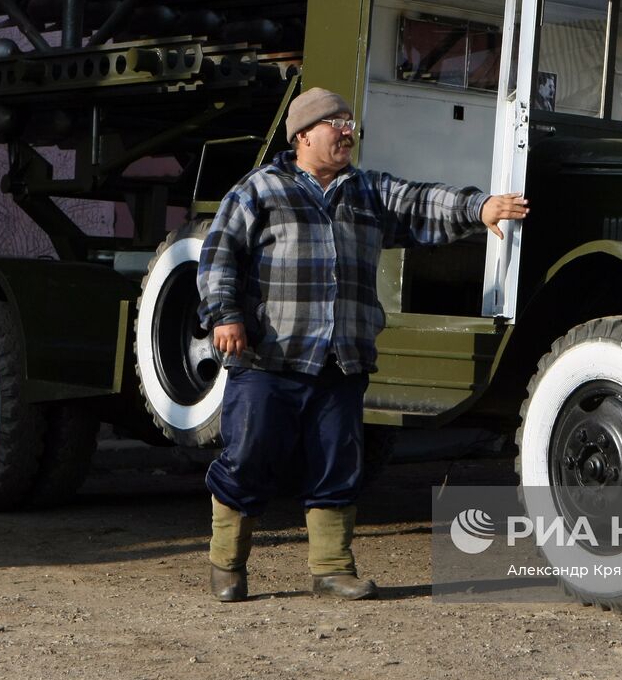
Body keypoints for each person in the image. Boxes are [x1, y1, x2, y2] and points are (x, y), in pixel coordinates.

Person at [197, 86, 529, 602]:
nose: (348, 132)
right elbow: (219, 254)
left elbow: (420, 201)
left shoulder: (367, 191)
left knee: (337, 462)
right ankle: (227, 563)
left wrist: (479, 206)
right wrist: (224, 316)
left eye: (350, 123)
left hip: (341, 358)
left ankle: (331, 569)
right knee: (249, 457)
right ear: (304, 135)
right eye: (337, 123)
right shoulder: (260, 189)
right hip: (269, 358)